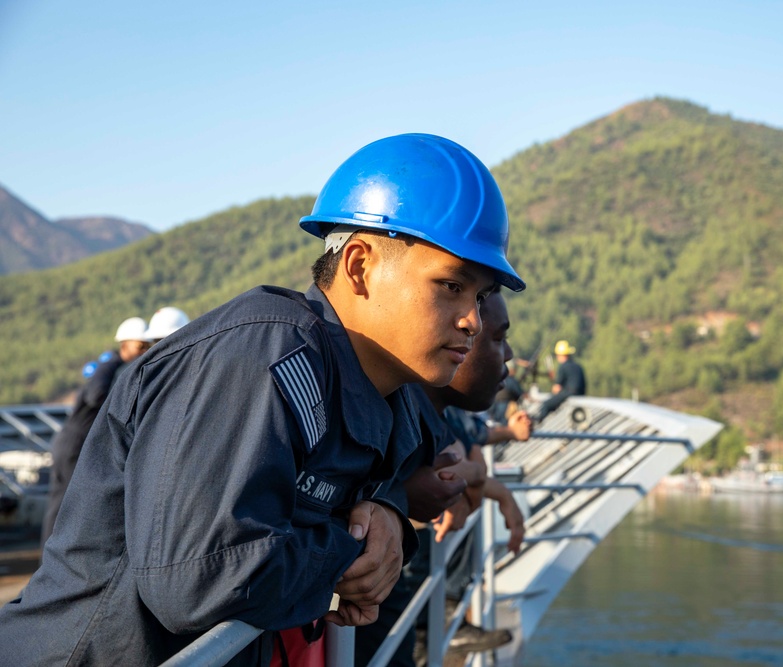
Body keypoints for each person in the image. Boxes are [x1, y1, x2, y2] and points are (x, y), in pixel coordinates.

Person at [0, 133, 525, 666]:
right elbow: (201, 576)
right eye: (451, 286)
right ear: (360, 267)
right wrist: (353, 550)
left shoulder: (383, 390)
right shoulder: (263, 361)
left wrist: (388, 508)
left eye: (480, 297)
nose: (472, 321)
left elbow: (416, 459)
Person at [355, 291, 529, 667]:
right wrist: (401, 501)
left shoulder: (424, 419)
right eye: (498, 339)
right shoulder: (390, 416)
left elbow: (464, 467)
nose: (510, 356)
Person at [41, 316, 151, 545]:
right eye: (140, 346)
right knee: (66, 502)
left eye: (146, 346)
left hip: (74, 440)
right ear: (125, 344)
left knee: (63, 500)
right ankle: (51, 559)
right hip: (75, 442)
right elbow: (95, 395)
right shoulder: (110, 364)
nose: (143, 351)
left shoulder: (117, 367)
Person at [536, 339, 587, 421]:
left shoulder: (563, 367)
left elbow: (557, 388)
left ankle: (538, 421)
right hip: (580, 394)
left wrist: (552, 398)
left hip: (570, 393)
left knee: (546, 404)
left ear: (560, 355)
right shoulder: (578, 366)